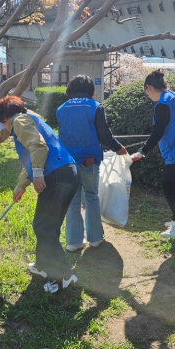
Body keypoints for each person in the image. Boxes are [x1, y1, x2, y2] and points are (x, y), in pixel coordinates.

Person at [0, 96, 80, 293]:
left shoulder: (19, 120)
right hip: (68, 174)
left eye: (2, 123)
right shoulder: (33, 120)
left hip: (56, 176)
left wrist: (39, 173)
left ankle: (62, 277)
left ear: (6, 117)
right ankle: (43, 266)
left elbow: (38, 146)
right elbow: (31, 159)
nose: (4, 127)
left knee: (43, 227)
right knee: (49, 226)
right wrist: (20, 186)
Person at [56, 75, 128, 252]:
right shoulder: (95, 107)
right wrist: (118, 148)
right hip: (89, 162)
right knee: (91, 197)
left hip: (67, 162)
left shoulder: (61, 108)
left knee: (72, 201)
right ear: (90, 89)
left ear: (70, 89)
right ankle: (95, 238)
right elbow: (104, 134)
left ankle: (73, 242)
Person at [131, 70, 175, 239]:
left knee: (170, 186)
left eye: (146, 92)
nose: (148, 96)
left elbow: (158, 132)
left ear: (149, 87)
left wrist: (142, 152)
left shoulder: (163, 105)